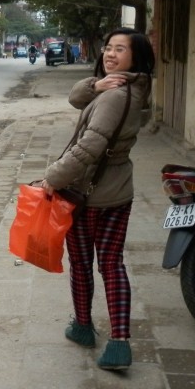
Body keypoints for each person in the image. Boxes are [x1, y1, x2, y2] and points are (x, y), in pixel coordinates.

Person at [40, 27, 154, 371]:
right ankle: (118, 339)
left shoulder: (116, 97)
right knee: (112, 263)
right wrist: (96, 84)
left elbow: (89, 146)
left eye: (120, 49)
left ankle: (84, 327)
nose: (110, 54)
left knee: (83, 264)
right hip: (120, 191)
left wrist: (52, 178)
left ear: (136, 57)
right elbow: (76, 98)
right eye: (108, 48)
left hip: (86, 195)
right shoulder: (129, 88)